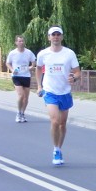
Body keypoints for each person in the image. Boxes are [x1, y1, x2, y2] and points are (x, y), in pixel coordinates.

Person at [36, 26, 81, 166]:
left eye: (58, 34)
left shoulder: (69, 54)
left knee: (62, 124)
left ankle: (59, 148)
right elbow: (38, 68)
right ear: (49, 37)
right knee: (55, 121)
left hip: (65, 92)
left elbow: (78, 72)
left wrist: (74, 78)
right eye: (53, 35)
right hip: (50, 91)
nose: (55, 37)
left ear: (61, 37)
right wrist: (39, 85)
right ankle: (55, 150)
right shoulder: (43, 54)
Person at [6, 35, 36, 123]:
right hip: (16, 76)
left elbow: (33, 62)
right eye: (19, 41)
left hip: (26, 76)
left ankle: (22, 113)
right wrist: (12, 70)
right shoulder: (12, 53)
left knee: (26, 97)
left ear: (24, 42)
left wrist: (31, 67)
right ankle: (18, 113)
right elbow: (7, 63)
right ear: (16, 43)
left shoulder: (29, 52)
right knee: (21, 95)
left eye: (22, 41)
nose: (21, 43)